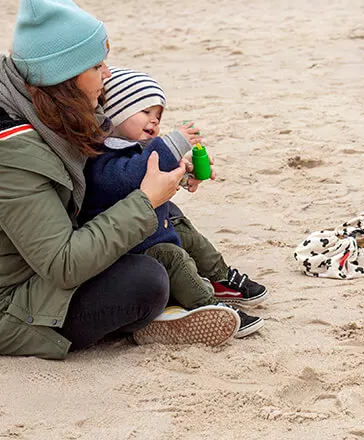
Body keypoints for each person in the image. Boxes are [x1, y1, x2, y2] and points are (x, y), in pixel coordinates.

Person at [0, 0, 240, 359]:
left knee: (167, 217)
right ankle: (159, 312)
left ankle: (196, 293)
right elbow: (63, 264)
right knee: (145, 281)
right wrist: (145, 199)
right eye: (95, 65)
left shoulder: (48, 111)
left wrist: (165, 172)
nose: (108, 74)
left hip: (40, 268)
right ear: (63, 77)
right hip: (2, 307)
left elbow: (105, 175)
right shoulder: (6, 157)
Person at [81, 67, 267, 339]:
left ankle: (221, 277)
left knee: (188, 234)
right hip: (132, 249)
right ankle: (207, 304)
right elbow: (128, 178)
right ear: (116, 112)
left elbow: (149, 174)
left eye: (158, 116)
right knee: (174, 258)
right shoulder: (102, 157)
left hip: (152, 230)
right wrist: (171, 146)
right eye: (145, 112)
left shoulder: (134, 149)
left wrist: (184, 173)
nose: (154, 122)